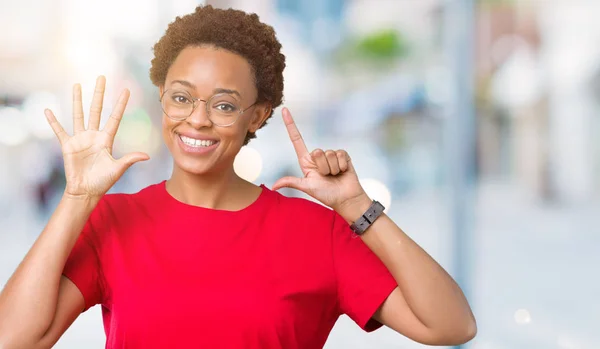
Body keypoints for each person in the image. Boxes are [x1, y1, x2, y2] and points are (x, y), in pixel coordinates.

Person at [0, 5, 476, 349]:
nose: (198, 119)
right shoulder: (114, 221)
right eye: (182, 97)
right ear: (163, 98)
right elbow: (13, 338)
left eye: (224, 104)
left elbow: (451, 325)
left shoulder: (318, 232)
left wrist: (357, 208)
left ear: (257, 115)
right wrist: (77, 198)